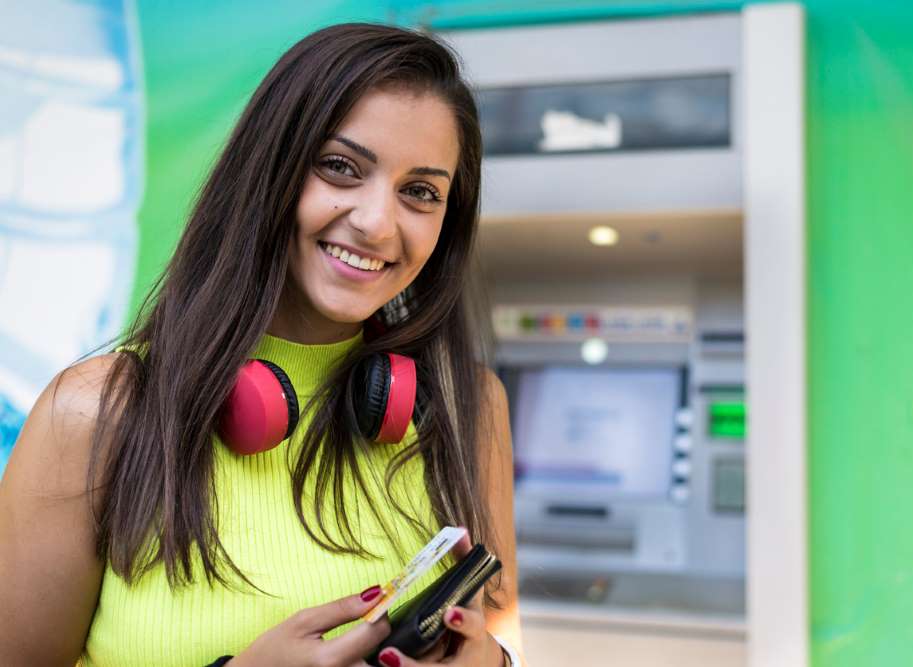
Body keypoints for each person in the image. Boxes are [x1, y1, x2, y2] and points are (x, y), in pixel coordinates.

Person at [0, 23, 522, 667]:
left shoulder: (469, 407)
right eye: (340, 167)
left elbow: (503, 634)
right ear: (267, 172)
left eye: (420, 192)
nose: (377, 223)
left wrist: (492, 662)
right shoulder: (92, 413)